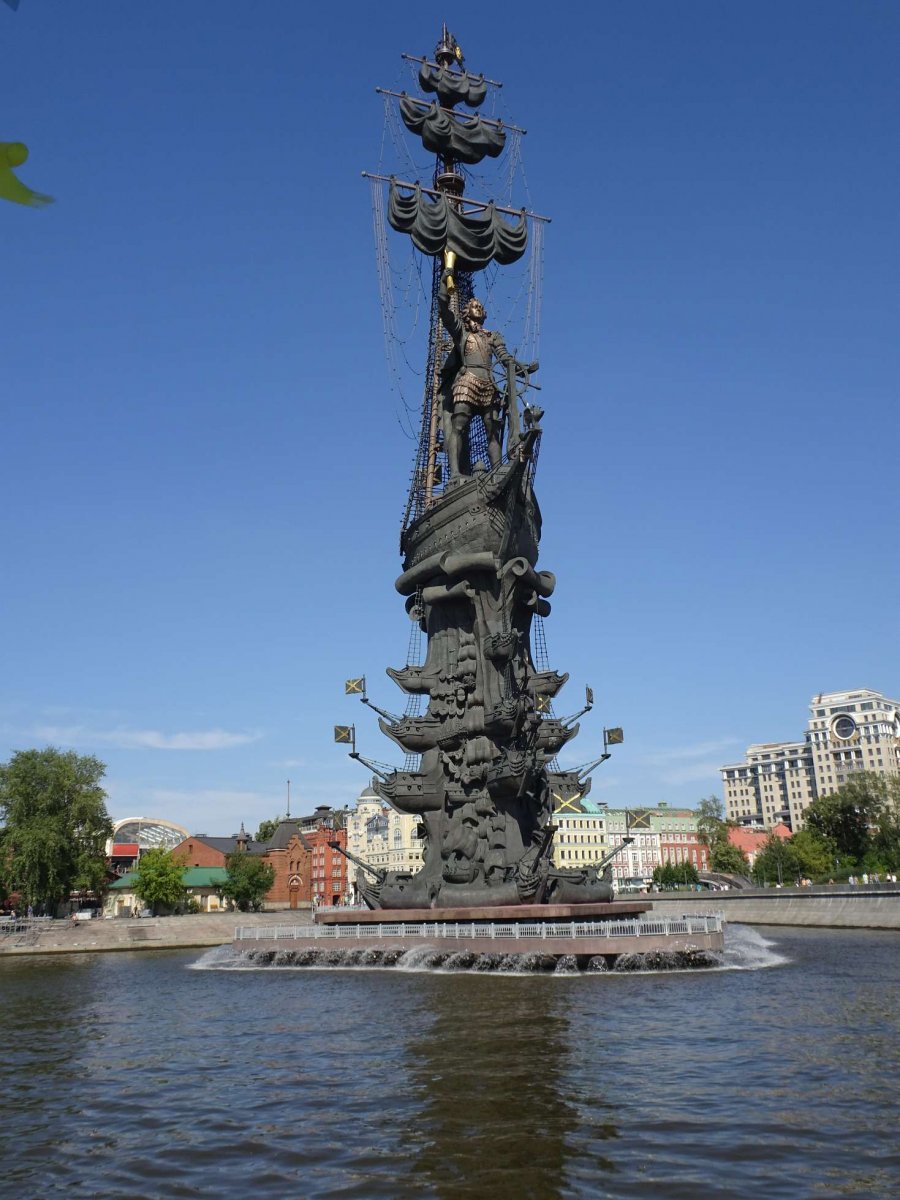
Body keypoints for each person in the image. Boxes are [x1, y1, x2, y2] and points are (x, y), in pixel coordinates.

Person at [438, 273, 538, 478]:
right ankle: (456, 473)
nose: (478, 307)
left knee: (493, 431)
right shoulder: (462, 333)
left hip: (490, 385)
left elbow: (505, 358)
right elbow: (445, 313)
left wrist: (521, 368)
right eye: (474, 305)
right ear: (467, 312)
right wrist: (443, 287)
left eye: (480, 306)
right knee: (459, 426)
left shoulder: (492, 336)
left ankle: (497, 472)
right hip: (467, 383)